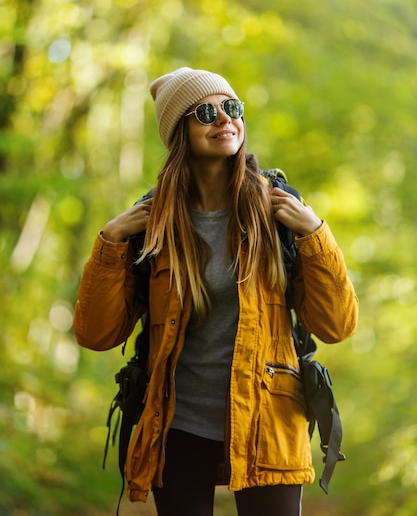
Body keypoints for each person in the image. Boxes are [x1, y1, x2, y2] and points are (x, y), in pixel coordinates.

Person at [73, 67, 358, 516]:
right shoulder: (153, 224)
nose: (225, 119)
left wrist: (316, 235)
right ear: (179, 131)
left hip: (269, 416)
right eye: (206, 112)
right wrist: (109, 244)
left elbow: (338, 325)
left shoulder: (278, 209)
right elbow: (95, 334)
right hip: (176, 423)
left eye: (233, 108)